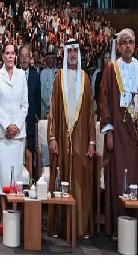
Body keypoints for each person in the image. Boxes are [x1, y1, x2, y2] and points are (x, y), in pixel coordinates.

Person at [99, 28, 138, 239]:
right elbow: (105, 102)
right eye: (124, 43)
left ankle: (136, 230)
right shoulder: (110, 70)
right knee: (118, 178)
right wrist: (109, 132)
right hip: (118, 133)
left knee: (136, 178)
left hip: (137, 133)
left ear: (134, 46)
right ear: (119, 47)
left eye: (131, 42)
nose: (128, 46)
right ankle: (118, 228)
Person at [47, 39, 96, 239]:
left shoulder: (85, 78)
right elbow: (52, 109)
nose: (73, 54)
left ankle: (80, 228)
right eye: (70, 51)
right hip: (61, 136)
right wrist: (52, 136)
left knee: (80, 182)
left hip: (81, 139)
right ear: (65, 54)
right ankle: (61, 227)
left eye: (76, 50)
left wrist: (92, 141)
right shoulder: (59, 77)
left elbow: (91, 113)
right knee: (62, 180)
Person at [0, 42, 28, 235]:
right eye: (8, 53)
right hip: (3, 135)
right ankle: (5, 216)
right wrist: (7, 126)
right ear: (3, 56)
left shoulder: (22, 75)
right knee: (4, 177)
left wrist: (16, 126)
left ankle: (15, 215)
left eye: (13, 53)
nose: (11, 56)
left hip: (17, 135)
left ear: (16, 57)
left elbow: (25, 105)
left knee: (16, 179)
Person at [18, 44, 41, 178]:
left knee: (30, 153)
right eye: (22, 56)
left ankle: (31, 181)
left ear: (30, 57)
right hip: (17, 121)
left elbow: (37, 99)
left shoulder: (35, 76)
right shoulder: (14, 74)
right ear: (19, 58)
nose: (25, 59)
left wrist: (37, 116)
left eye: (27, 56)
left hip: (31, 120)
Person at [39, 51, 57, 119]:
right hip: (46, 106)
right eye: (48, 58)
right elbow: (42, 92)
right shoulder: (43, 73)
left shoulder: (58, 72)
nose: (50, 60)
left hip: (56, 106)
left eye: (52, 58)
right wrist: (49, 104)